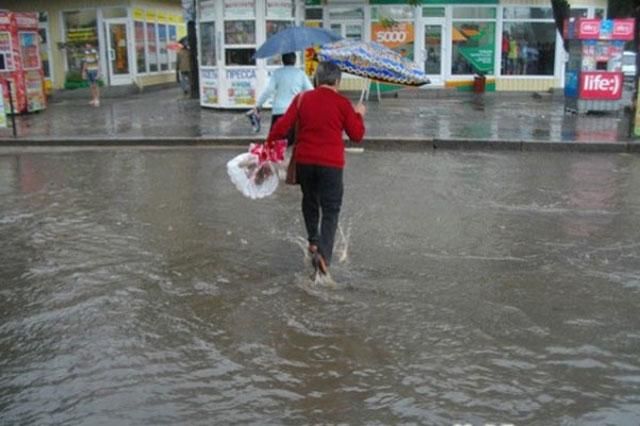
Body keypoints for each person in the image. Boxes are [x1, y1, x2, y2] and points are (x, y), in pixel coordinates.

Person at [266, 61, 366, 276]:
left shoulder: (302, 99)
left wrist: (267, 145)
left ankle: (313, 241)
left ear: (317, 79)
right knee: (331, 209)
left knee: (310, 200)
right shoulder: (342, 103)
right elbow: (357, 135)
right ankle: (324, 256)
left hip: (305, 162)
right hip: (331, 165)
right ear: (337, 81)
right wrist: (358, 114)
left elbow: (282, 127)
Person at [254, 52, 313, 145]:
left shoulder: (277, 73)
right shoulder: (300, 74)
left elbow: (268, 90)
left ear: (283, 61)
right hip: (294, 113)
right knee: (293, 144)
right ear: (295, 60)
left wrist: (258, 104)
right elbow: (311, 91)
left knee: (276, 144)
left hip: (278, 112)